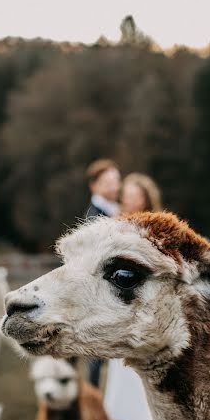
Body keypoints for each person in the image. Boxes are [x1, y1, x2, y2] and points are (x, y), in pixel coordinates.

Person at [104, 173, 162, 420]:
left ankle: (143, 415)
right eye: (126, 192)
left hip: (144, 299)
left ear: (144, 198)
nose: (127, 197)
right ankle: (120, 413)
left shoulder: (155, 226)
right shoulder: (114, 224)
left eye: (133, 193)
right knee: (121, 359)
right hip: (119, 299)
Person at [85, 159, 121, 387]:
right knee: (97, 349)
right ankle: (94, 391)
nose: (114, 186)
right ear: (94, 186)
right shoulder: (94, 215)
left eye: (116, 180)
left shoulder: (113, 210)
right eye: (107, 182)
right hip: (101, 289)